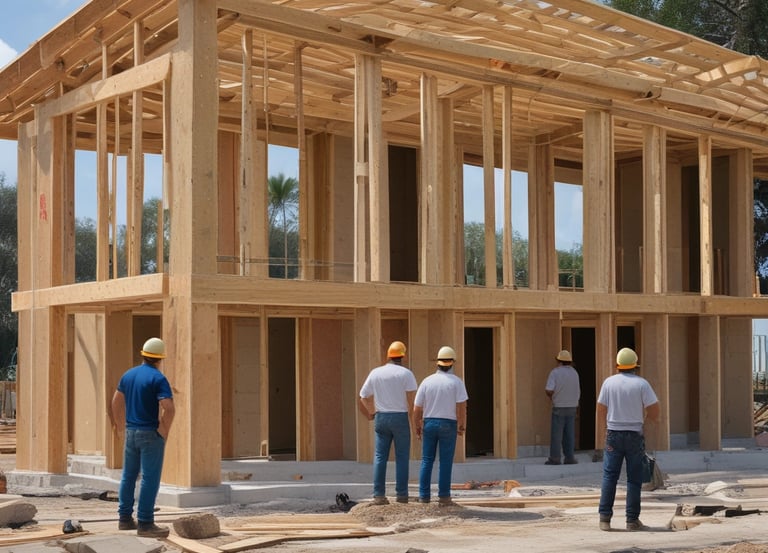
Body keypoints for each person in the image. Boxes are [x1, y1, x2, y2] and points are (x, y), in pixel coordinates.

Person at [110, 337, 176, 537]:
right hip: (150, 434)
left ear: (143, 355)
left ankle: (124, 519)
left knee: (128, 476)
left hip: (131, 432)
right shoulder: (158, 378)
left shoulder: (128, 375)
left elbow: (115, 402)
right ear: (159, 359)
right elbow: (169, 408)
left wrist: (121, 427)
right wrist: (163, 430)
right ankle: (146, 522)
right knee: (149, 478)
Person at [597, 347, 660, 532]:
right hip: (634, 435)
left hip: (613, 435)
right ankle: (632, 520)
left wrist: (604, 431)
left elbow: (600, 409)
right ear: (635, 366)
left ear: (618, 365)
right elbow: (655, 411)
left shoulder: (608, 383)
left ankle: (604, 519)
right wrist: (645, 425)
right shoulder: (642, 384)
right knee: (634, 479)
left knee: (610, 476)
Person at [358, 340, 418, 505]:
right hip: (399, 417)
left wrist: (371, 412)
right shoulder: (406, 374)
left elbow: (363, 396)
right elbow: (412, 402)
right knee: (402, 457)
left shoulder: (376, 373)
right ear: (403, 356)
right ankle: (402, 495)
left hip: (381, 417)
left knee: (379, 457)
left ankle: (378, 495)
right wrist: (416, 422)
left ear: (388, 356)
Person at [413, 346, 469, 506]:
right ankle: (444, 496)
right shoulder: (457, 382)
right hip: (448, 424)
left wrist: (417, 426)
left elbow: (417, 408)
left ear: (437, 363)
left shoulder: (427, 381)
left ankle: (424, 496)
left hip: (429, 423)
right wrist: (462, 426)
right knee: (445, 461)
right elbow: (462, 406)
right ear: (452, 363)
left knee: (426, 460)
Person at [544, 349, 581, 465]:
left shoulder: (555, 372)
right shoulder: (574, 373)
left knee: (557, 434)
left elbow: (549, 389)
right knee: (569, 434)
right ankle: (569, 458)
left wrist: (551, 396)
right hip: (572, 406)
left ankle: (555, 458)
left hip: (559, 406)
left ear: (559, 361)